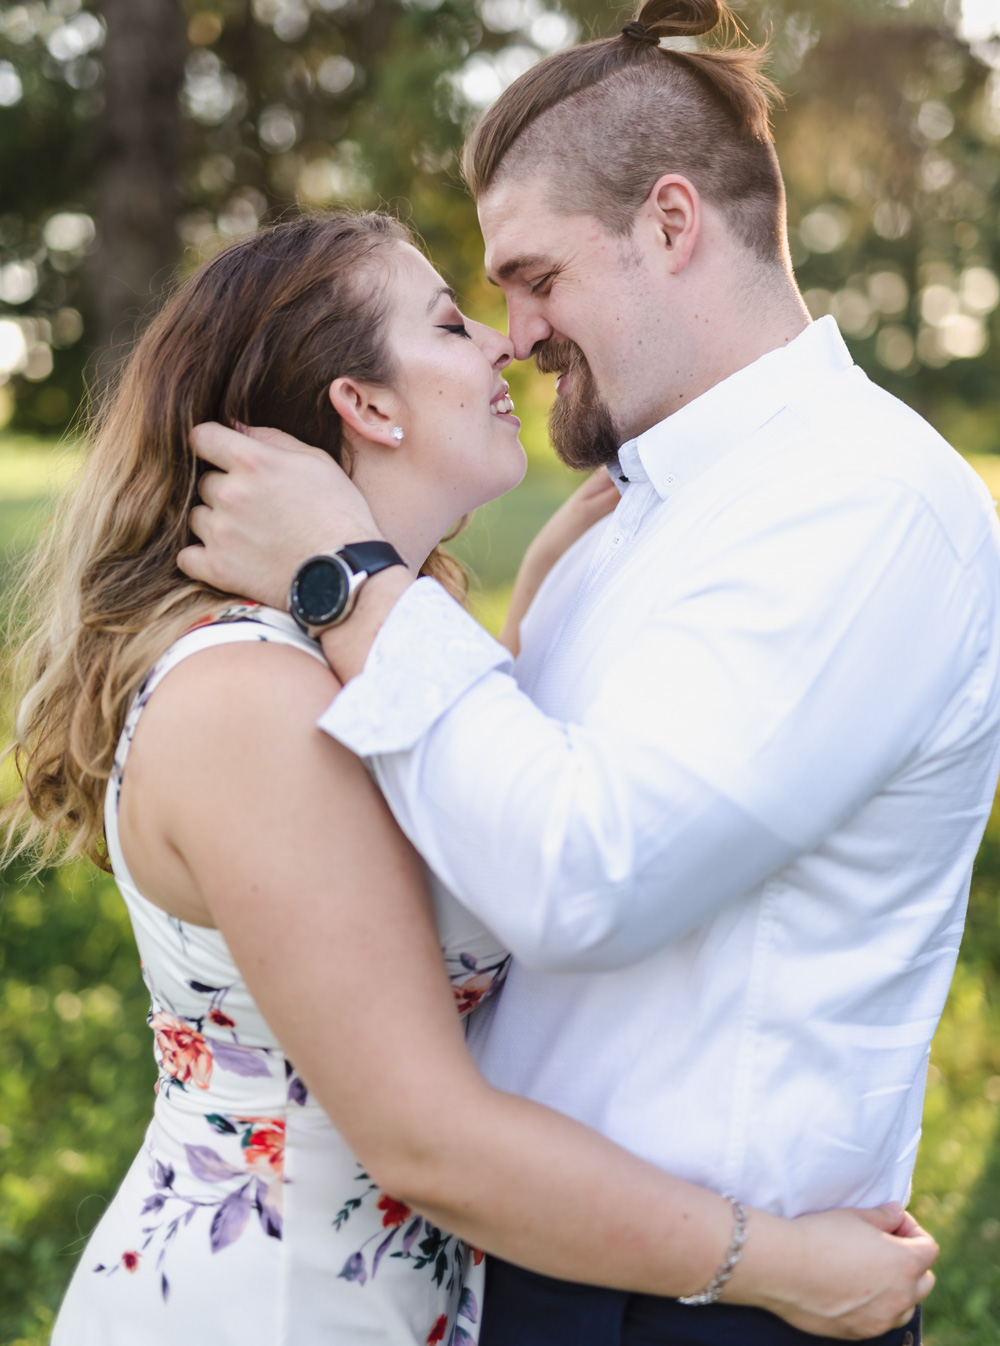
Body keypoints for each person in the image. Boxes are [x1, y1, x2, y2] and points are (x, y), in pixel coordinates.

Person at [176, 0, 1000, 1346]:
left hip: (720, 1303)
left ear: (670, 222)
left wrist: (345, 581)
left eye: (537, 276)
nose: (519, 333)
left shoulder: (864, 503)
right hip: (545, 1266)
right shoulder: (627, 518)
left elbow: (583, 870)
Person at [2, 212, 934, 1346]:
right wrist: (781, 1264)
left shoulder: (353, 651)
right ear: (367, 404)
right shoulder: (250, 698)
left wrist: (528, 625)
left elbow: (497, 805)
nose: (504, 344)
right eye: (449, 323)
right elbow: (422, 1138)